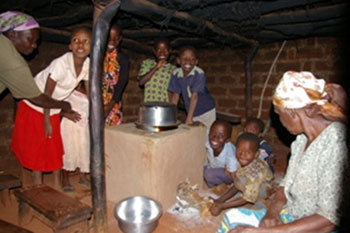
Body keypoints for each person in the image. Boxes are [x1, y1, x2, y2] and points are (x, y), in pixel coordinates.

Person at [217, 71, 347, 233]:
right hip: (294, 216)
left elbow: (329, 220)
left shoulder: (336, 142)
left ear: (292, 112)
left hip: (316, 227)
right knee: (232, 219)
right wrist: (272, 213)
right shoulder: (301, 141)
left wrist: (265, 232)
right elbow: (286, 184)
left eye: (279, 115)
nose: (279, 122)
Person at [11, 27, 91, 188]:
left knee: (54, 147)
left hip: (52, 106)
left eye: (85, 41)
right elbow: (46, 95)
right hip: (35, 104)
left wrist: (93, 112)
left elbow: (90, 91)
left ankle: (56, 186)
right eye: (76, 40)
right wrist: (47, 120)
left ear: (92, 47)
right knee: (37, 146)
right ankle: (38, 187)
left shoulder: (87, 64)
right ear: (70, 46)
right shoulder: (60, 64)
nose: (80, 44)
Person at [0, 11, 71, 111]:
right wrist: (65, 105)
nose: (34, 45)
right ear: (12, 34)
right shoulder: (14, 63)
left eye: (36, 41)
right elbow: (36, 98)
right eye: (30, 39)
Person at [210, 132, 274, 217]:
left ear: (256, 154)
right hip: (253, 181)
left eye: (247, 152)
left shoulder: (255, 172)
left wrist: (222, 206)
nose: (242, 155)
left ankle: (256, 197)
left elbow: (245, 199)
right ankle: (223, 200)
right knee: (239, 179)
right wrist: (220, 200)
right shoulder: (245, 161)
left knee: (242, 180)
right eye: (239, 150)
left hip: (265, 189)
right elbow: (237, 183)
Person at [168, 46, 216, 128]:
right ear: (178, 61)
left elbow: (194, 96)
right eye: (184, 58)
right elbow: (175, 95)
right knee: (195, 137)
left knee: (207, 135)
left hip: (206, 111)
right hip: (192, 111)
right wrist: (170, 116)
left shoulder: (199, 74)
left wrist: (189, 118)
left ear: (196, 62)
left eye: (192, 59)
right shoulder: (175, 74)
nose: (188, 61)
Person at [61, 81, 90, 192]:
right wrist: (66, 114)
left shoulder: (88, 89)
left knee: (84, 150)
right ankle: (65, 180)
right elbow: (54, 107)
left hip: (83, 126)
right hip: (70, 125)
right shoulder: (67, 91)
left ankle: (82, 177)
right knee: (68, 151)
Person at [102, 24, 129, 126]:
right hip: (94, 102)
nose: (112, 41)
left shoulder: (122, 59)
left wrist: (110, 106)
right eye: (109, 37)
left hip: (113, 103)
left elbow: (122, 83)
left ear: (120, 39)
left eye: (116, 38)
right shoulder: (95, 55)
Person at [138, 38, 176, 102]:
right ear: (154, 51)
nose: (162, 53)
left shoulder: (173, 69)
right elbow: (141, 82)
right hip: (149, 103)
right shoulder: (147, 63)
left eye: (165, 50)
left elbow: (174, 92)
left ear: (170, 51)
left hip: (165, 104)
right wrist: (156, 67)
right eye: (159, 50)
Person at [204, 119, 238, 188]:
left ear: (227, 140)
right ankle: (214, 189)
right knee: (203, 170)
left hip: (229, 174)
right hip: (215, 168)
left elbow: (234, 177)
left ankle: (223, 188)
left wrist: (234, 187)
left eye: (221, 136)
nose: (215, 138)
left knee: (208, 174)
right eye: (213, 133)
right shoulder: (208, 141)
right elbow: (204, 128)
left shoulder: (230, 154)